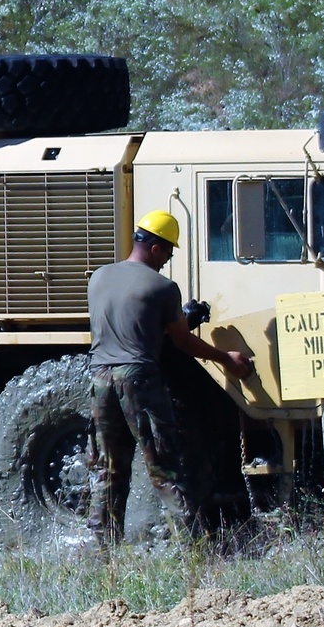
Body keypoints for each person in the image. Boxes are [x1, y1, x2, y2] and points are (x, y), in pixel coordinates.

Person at [87, 210, 253, 546]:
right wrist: (226, 358)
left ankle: (103, 551)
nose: (167, 261)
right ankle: (191, 549)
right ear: (156, 248)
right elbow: (183, 342)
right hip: (138, 379)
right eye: (169, 253)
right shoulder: (162, 287)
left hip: (99, 378)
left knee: (108, 469)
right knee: (165, 467)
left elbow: (127, 327)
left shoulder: (99, 277)